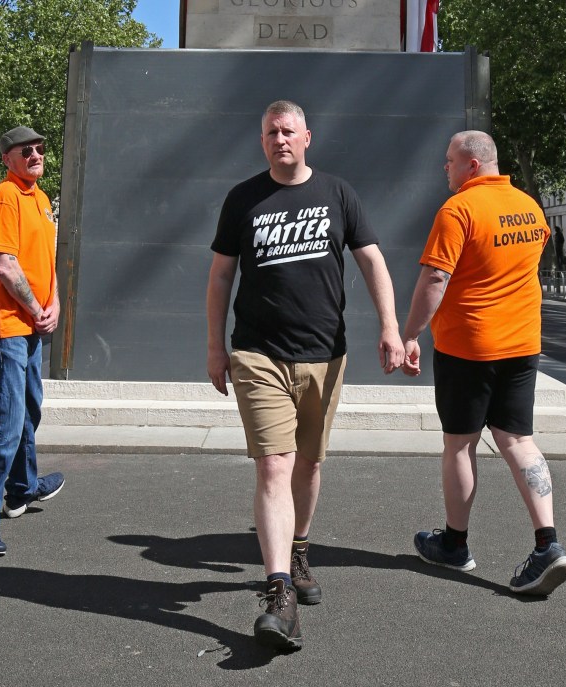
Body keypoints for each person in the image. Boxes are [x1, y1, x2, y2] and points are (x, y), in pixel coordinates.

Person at [206, 100, 405, 649]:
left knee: (309, 465)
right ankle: (278, 594)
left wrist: (389, 326)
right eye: (270, 132)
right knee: (275, 465)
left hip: (325, 354)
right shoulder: (243, 198)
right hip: (256, 353)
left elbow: (372, 261)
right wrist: (214, 346)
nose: (279, 139)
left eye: (288, 131)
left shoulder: (338, 194)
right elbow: (222, 275)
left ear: (307, 137)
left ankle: (298, 550)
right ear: (262, 140)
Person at [398, 130, 566, 596]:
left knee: (460, 444)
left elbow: (436, 276)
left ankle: (455, 544)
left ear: (471, 165)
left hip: (469, 347)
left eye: (450, 161)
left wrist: (409, 333)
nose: (445, 169)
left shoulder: (458, 210)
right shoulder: (530, 207)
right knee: (519, 440)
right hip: (522, 344)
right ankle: (548, 544)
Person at [0, 125, 64, 557]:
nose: (36, 155)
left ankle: (21, 488)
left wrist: (54, 301)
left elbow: (45, 261)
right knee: (7, 424)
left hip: (31, 323)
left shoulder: (40, 199)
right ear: (8, 159)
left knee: (30, 410)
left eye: (40, 149)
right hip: (7, 326)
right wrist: (34, 309)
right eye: (26, 151)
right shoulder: (4, 195)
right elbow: (5, 265)